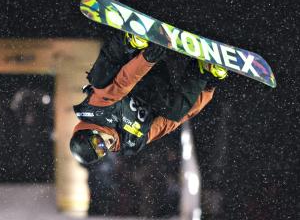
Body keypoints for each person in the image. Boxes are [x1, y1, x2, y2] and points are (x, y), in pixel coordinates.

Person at [70, 32, 228, 165]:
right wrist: (207, 87)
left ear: (90, 131)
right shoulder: (130, 143)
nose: (104, 145)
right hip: (150, 84)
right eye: (101, 151)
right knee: (175, 112)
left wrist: (146, 58)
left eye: (98, 143)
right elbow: (168, 124)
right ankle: (202, 70)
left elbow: (122, 83)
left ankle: (129, 41)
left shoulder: (96, 110)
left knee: (99, 80)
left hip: (132, 64)